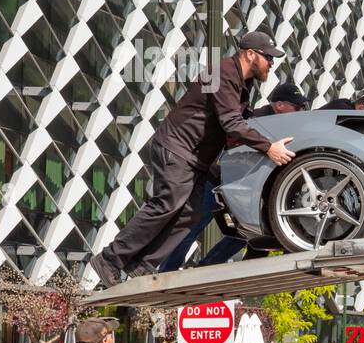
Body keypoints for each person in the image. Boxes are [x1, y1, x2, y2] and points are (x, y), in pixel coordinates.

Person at [90, 31, 295, 286]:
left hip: (196, 156)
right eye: (268, 57)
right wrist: (268, 147)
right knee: (167, 204)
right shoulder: (222, 74)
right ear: (251, 54)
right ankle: (110, 259)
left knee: (191, 213)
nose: (272, 63)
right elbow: (231, 122)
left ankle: (141, 265)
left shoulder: (243, 82)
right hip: (178, 147)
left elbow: (239, 119)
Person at [156, 81, 307, 273]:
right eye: (298, 107)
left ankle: (206, 268)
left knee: (246, 231)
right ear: (280, 105)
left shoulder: (279, 124)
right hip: (219, 180)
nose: (301, 111)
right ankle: (167, 271)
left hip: (242, 185)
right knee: (193, 226)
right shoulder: (258, 119)